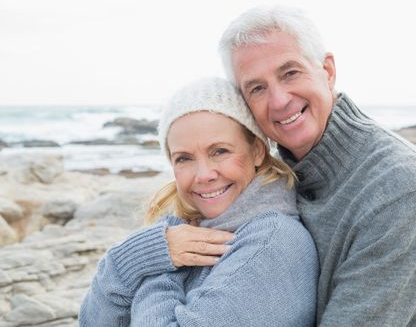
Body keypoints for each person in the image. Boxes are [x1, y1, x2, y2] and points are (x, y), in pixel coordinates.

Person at [170, 6, 416, 326]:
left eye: (290, 73)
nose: (278, 101)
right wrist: (155, 249)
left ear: (328, 70)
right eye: (257, 88)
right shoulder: (269, 181)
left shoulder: (398, 183)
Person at [79, 77, 318, 326]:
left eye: (220, 151)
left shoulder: (272, 242)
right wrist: (125, 260)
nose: (203, 175)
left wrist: (157, 264)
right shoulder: (183, 231)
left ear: (257, 150)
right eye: (184, 158)